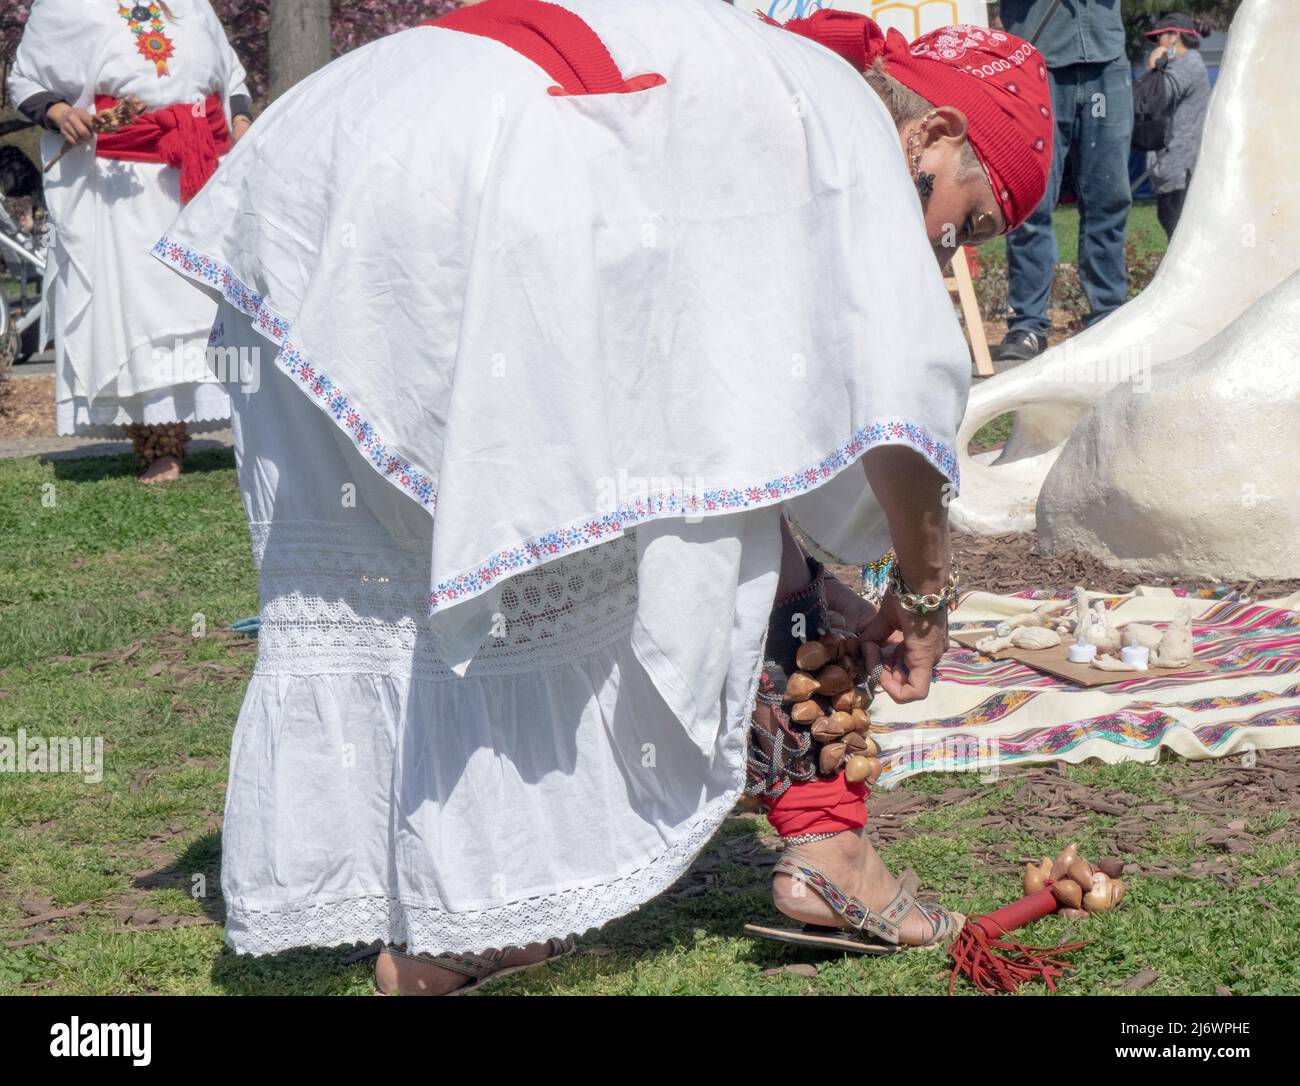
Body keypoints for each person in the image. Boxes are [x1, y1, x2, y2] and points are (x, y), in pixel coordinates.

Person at [157, 0, 1051, 994]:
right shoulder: (842, 124)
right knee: (580, 528)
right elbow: (899, 409)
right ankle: (815, 853)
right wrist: (922, 596)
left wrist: (797, 565)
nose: (949, 254)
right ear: (934, 134)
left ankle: (466, 923)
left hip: (332, 149)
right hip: (481, 171)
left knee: (462, 554)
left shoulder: (769, 90)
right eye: (963, 220)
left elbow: (745, 435)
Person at [7, 0, 252, 482]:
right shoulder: (65, 6)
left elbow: (232, 79)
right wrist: (59, 111)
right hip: (122, 182)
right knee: (141, 313)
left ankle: (253, 425)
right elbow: (25, 82)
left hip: (204, 170)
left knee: (214, 306)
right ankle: (160, 443)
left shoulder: (192, 4)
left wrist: (241, 124)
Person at [992, 0, 1132, 364]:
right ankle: (1028, 326)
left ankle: (1108, 317)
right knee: (1032, 201)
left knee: (1109, 197)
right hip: (1036, 62)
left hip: (1107, 58)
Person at [1143, 12, 1211, 240]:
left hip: (1182, 166)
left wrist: (1153, 66)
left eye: (1159, 38)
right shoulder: (1180, 65)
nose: (1156, 44)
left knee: (1179, 233)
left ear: (1173, 37)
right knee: (1171, 224)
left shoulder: (1189, 64)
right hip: (1170, 166)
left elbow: (1155, 96)